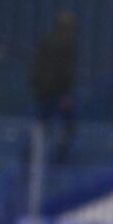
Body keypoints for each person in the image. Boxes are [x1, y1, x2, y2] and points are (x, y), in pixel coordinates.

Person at [31, 12, 78, 161]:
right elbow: (65, 69)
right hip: (58, 90)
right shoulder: (67, 43)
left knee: (42, 122)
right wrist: (66, 93)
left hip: (43, 88)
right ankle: (60, 155)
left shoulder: (46, 39)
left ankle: (33, 154)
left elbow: (38, 64)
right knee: (67, 124)